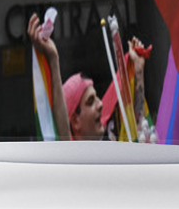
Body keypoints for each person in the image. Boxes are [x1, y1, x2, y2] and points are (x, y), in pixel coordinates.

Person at [27, 12, 148, 141]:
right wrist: (53, 59)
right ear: (75, 121)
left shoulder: (113, 148)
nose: (101, 104)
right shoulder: (73, 158)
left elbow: (139, 132)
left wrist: (138, 71)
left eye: (96, 98)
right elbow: (64, 136)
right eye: (90, 102)